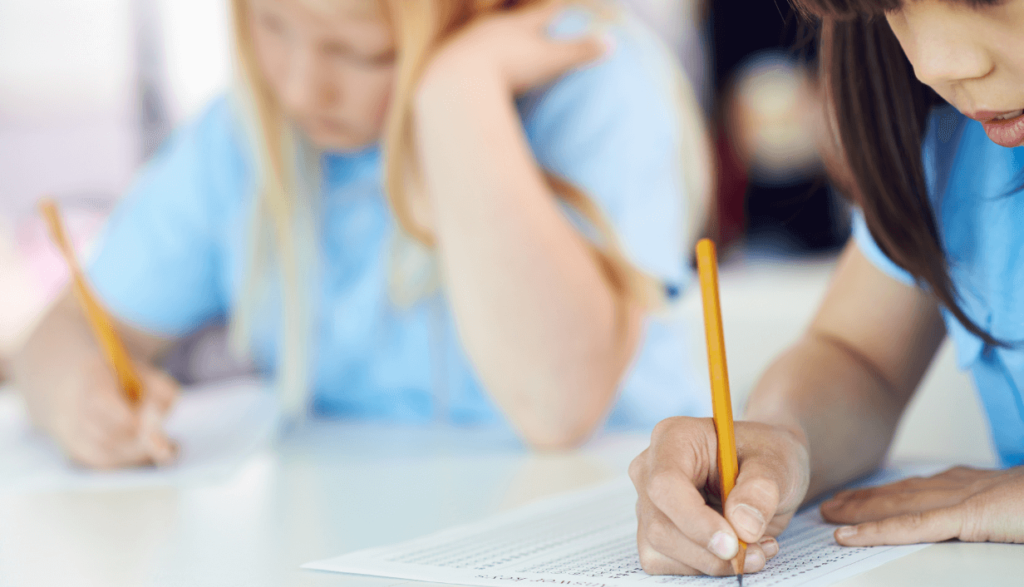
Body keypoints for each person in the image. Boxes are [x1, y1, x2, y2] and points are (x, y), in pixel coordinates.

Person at [13, 0, 712, 469]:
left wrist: (458, 94)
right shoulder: (247, 139)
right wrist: (76, 391)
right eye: (272, 24)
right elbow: (68, 328)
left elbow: (558, 409)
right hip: (355, 567)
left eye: (362, 54)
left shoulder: (590, 82)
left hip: (600, 542)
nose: (302, 90)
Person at [629, 0, 1024, 577]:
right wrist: (780, 440)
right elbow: (858, 357)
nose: (936, 64)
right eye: (894, 8)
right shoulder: (959, 146)